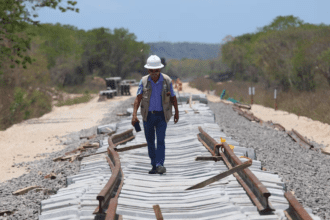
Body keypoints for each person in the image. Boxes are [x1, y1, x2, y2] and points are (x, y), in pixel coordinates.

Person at [131, 55, 179, 174]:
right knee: (150, 141)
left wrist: (177, 112)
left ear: (160, 70)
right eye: (151, 71)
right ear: (148, 70)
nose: (154, 73)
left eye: (156, 70)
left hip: (162, 116)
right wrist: (134, 115)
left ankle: (160, 164)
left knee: (161, 140)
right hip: (148, 116)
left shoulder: (167, 81)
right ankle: (154, 165)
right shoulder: (144, 81)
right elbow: (138, 98)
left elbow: (173, 97)